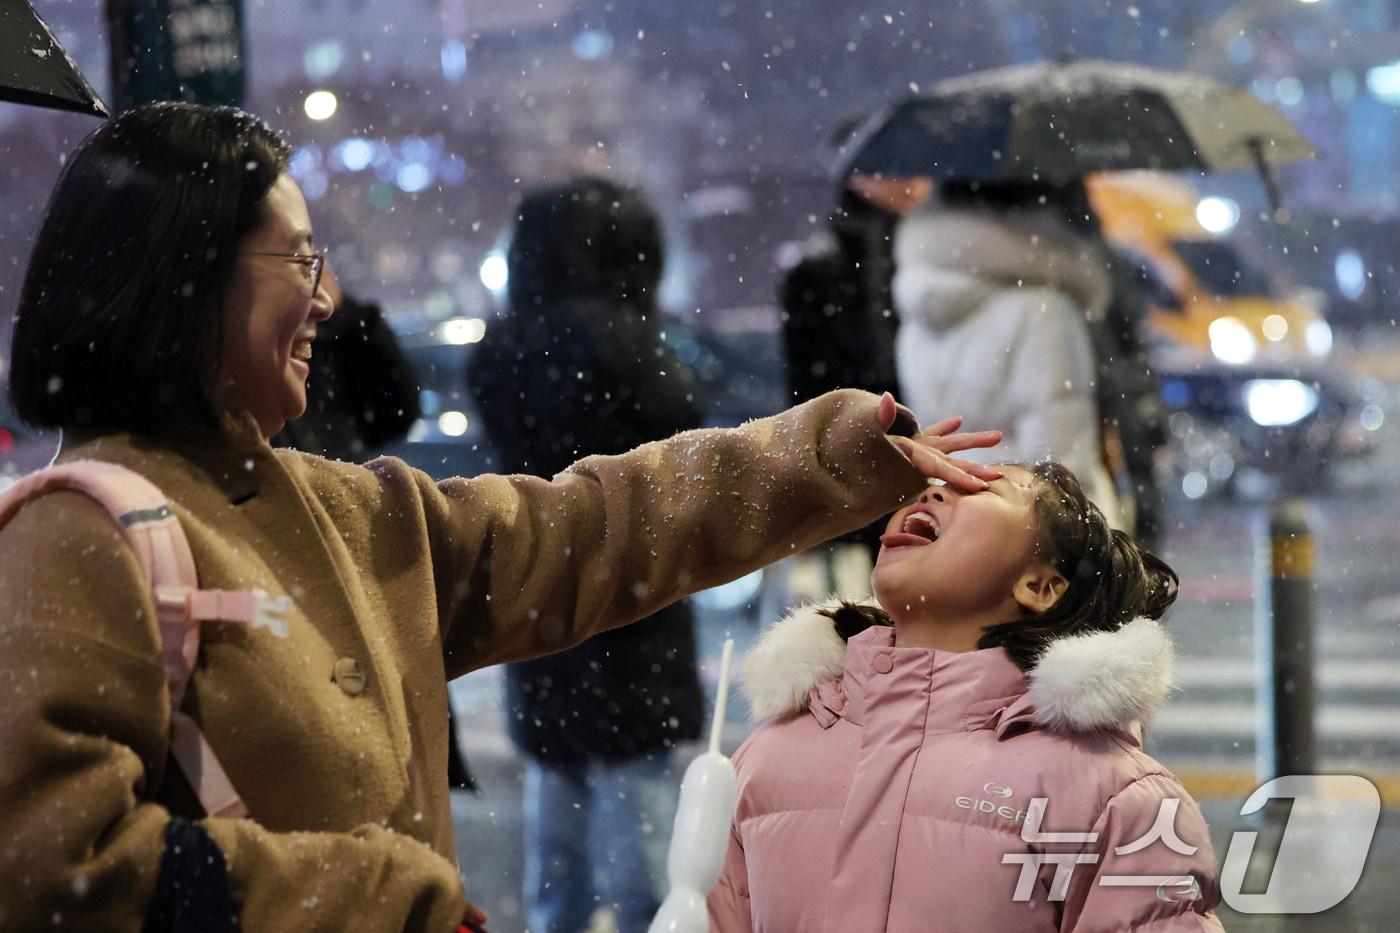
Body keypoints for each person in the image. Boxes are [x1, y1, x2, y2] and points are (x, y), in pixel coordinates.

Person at [0, 102, 999, 931]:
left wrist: (829, 455)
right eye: (298, 263)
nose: (327, 298)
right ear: (186, 279)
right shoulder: (75, 540)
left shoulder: (341, 509)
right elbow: (48, 865)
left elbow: (589, 528)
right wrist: (378, 896)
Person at [707, 459, 1224, 931]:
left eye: (979, 487)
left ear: (1040, 585)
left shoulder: (1111, 796)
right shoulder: (769, 755)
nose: (930, 494)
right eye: (934, 483)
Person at [467, 177, 707, 932]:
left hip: (540, 579)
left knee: (555, 789)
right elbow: (684, 418)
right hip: (633, 589)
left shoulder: (504, 345)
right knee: (640, 808)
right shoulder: (630, 343)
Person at [892, 179, 1123, 526]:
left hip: (942, 519)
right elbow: (1062, 462)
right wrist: (1081, 543)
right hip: (1020, 526)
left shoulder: (920, 308)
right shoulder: (1045, 310)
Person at [775, 175, 933, 601]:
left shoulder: (925, 255)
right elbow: (806, 387)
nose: (914, 184)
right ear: (860, 179)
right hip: (862, 448)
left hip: (918, 447)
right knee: (862, 606)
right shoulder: (823, 267)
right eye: (895, 172)